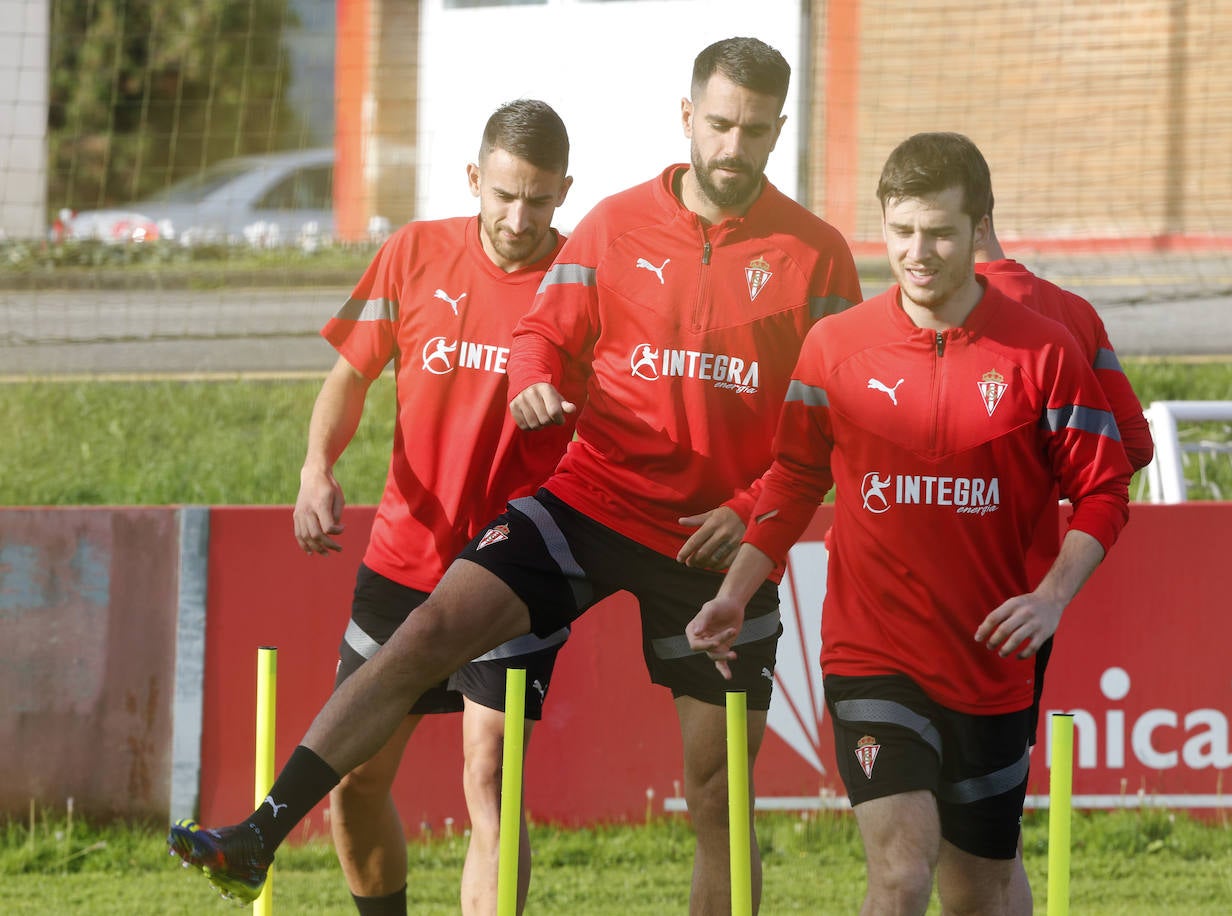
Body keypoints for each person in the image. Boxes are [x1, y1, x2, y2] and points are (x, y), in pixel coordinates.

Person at [168, 36, 861, 915]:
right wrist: (532, 382)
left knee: (715, 795)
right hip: (589, 500)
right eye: (719, 123)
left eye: (754, 130)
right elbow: (542, 332)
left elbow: (836, 420)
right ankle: (257, 835)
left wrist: (753, 507)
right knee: (422, 638)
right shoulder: (615, 223)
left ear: (778, 129)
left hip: (713, 545)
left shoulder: (818, 254)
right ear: (688, 118)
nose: (732, 147)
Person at [685, 132, 1133, 914]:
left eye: (938, 232)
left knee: (980, 886)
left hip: (992, 661)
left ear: (978, 227)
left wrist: (1052, 597)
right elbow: (793, 480)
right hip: (872, 651)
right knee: (899, 870)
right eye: (900, 231)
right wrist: (736, 589)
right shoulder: (835, 348)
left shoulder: (1045, 353)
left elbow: (1105, 489)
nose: (916, 252)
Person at [177, 100, 580, 915]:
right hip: (405, 560)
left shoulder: (579, 288)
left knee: (489, 776)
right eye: (504, 194)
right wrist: (316, 469)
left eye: (538, 200)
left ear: (565, 191)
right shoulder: (414, 252)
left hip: (513, 569)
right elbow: (352, 374)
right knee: (354, 788)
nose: (518, 216)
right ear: (474, 177)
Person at [975, 205, 1154, 916]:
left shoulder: (909, 310)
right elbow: (1131, 447)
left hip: (928, 596)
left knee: (923, 839)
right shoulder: (1072, 314)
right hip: (1026, 599)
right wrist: (1045, 471)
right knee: (993, 830)